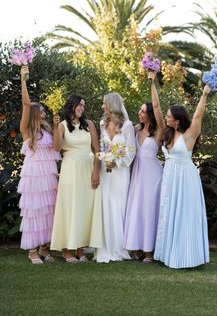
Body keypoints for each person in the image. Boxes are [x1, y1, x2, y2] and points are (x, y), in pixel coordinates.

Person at [154, 84, 211, 269]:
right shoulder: (168, 134)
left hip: (185, 179)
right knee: (169, 213)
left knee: (184, 215)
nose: (166, 117)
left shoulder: (189, 135)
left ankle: (185, 256)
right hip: (170, 179)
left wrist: (204, 94)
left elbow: (197, 116)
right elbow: (155, 109)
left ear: (177, 120)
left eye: (169, 115)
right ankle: (168, 253)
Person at [50, 94, 102, 263]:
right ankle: (67, 249)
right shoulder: (63, 126)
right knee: (70, 207)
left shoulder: (89, 125)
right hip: (70, 169)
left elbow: (96, 150)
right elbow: (57, 148)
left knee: (84, 209)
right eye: (80, 105)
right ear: (72, 105)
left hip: (87, 170)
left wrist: (96, 171)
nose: (82, 108)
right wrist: (55, 126)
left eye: (84, 105)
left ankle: (80, 248)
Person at [17, 65, 60, 264]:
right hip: (34, 175)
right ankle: (32, 250)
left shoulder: (49, 129)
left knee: (48, 209)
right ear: (35, 113)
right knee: (34, 210)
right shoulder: (27, 130)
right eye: (41, 110)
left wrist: (58, 126)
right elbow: (26, 104)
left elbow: (57, 148)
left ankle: (44, 247)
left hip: (48, 174)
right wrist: (23, 80)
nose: (43, 112)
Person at [124, 71, 165, 263]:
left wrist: (152, 82)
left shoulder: (158, 132)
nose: (139, 114)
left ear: (149, 114)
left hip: (152, 175)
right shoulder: (135, 129)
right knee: (137, 209)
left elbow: (157, 106)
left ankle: (150, 252)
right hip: (137, 174)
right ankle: (138, 248)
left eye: (142, 111)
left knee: (149, 209)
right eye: (139, 111)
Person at [96, 93, 136, 263]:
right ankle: (104, 247)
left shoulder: (127, 125)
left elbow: (131, 150)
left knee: (119, 206)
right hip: (105, 171)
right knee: (105, 204)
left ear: (112, 105)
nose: (102, 107)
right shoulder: (102, 124)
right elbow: (102, 146)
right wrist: (106, 159)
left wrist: (117, 161)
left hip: (120, 172)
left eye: (104, 104)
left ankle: (119, 247)